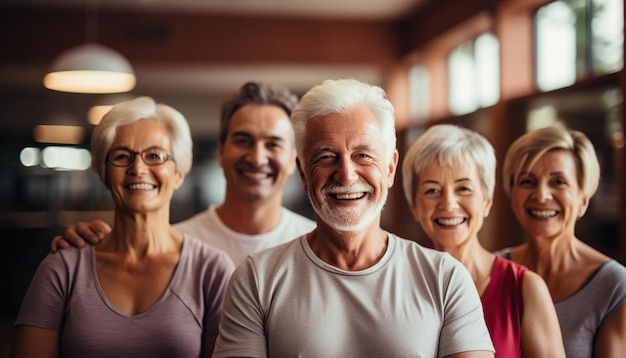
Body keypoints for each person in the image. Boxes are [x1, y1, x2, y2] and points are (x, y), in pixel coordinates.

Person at [213, 79, 495, 357]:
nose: (346, 174)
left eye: (363, 155)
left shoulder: (445, 278)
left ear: (390, 168)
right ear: (302, 172)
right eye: (326, 157)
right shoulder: (256, 278)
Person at [10, 97, 234, 357]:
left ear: (178, 174)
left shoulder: (212, 270)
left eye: (154, 156)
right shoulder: (64, 266)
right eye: (121, 156)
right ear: (103, 172)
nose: (137, 168)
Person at [51, 82, 316, 266]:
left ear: (294, 159)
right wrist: (93, 243)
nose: (257, 158)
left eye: (273, 144)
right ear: (221, 151)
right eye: (243, 141)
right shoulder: (176, 245)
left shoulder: (318, 247)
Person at [401, 124, 565, 357]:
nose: (448, 204)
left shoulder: (525, 288)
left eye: (464, 188)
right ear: (414, 207)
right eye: (432, 190)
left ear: (486, 201)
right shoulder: (398, 285)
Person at [499, 125, 626, 358]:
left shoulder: (615, 286)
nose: (541, 195)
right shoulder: (490, 271)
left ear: (583, 200)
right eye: (528, 182)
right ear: (512, 193)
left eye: (558, 182)